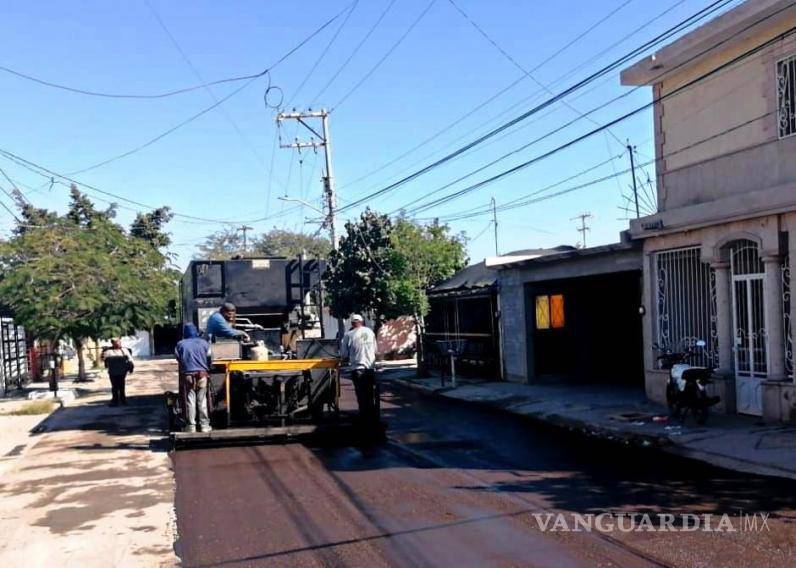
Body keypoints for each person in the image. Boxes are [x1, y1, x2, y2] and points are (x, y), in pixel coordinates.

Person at [340, 314, 379, 425]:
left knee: (361, 395)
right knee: (370, 393)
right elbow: (375, 350)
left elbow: (344, 354)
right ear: (362, 322)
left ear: (352, 324)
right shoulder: (370, 332)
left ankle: (364, 418)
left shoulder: (348, 335)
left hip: (357, 369)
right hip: (370, 368)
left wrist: (344, 359)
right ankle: (372, 418)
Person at [175, 323, 212, 433]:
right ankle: (204, 426)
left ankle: (191, 426)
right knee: (202, 400)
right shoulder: (204, 343)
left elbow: (178, 358)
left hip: (188, 377)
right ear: (196, 332)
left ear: (185, 333)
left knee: (190, 401)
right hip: (202, 375)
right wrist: (206, 368)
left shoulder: (180, 344)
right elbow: (210, 358)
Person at [102, 339, 133, 406]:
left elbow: (130, 359)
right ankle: (115, 400)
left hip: (122, 371)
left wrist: (131, 367)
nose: (118, 344)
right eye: (116, 343)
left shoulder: (124, 350)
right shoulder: (109, 351)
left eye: (119, 342)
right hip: (113, 372)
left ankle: (123, 400)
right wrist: (103, 352)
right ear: (113, 344)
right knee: (114, 386)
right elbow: (103, 359)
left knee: (122, 385)